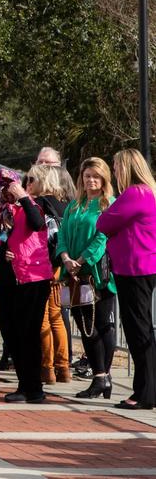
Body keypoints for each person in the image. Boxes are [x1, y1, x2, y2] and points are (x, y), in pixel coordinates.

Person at [0, 168, 52, 404]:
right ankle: (24, 384)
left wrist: (23, 196)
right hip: (6, 279)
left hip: (32, 277)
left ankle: (34, 387)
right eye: (1, 185)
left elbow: (36, 224)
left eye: (9, 184)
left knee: (29, 333)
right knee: (10, 333)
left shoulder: (32, 207)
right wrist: (1, 251)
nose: (6, 189)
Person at [96, 148, 156, 410]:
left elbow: (103, 223)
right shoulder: (149, 192)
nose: (115, 172)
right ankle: (148, 389)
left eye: (117, 167)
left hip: (134, 269)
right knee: (142, 328)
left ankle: (145, 392)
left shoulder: (135, 193)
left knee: (137, 330)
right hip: (142, 266)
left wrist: (107, 213)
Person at [58, 157, 116, 400]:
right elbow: (62, 234)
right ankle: (99, 376)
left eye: (96, 176)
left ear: (104, 179)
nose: (91, 180)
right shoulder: (74, 205)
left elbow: (102, 238)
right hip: (73, 275)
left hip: (96, 275)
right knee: (84, 325)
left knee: (102, 324)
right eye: (87, 176)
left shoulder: (108, 204)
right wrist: (66, 258)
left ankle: (102, 375)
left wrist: (81, 260)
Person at [26, 165, 70, 385]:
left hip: (42, 264)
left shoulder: (40, 205)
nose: (29, 182)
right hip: (61, 264)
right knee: (57, 316)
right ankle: (64, 368)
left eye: (32, 178)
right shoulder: (66, 204)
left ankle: (47, 369)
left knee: (43, 318)